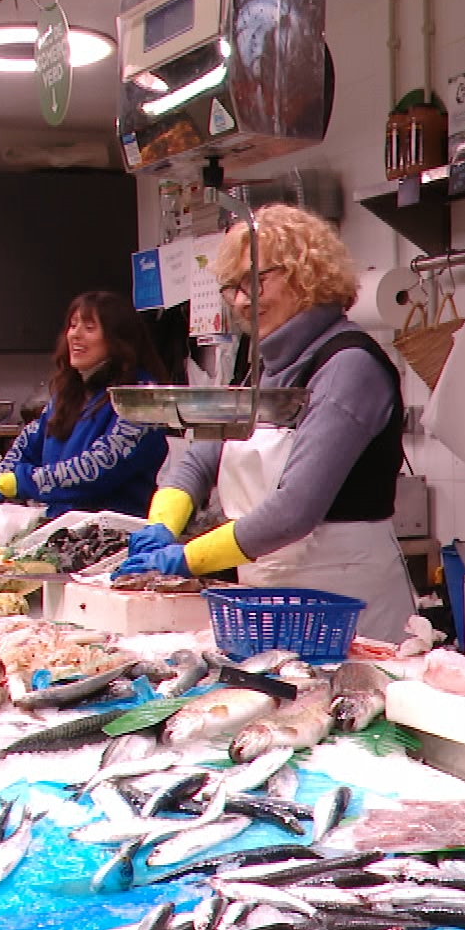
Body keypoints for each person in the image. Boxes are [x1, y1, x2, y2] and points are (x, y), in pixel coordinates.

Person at [115, 204, 415, 643]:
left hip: (348, 605)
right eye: (232, 288)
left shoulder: (348, 365)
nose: (240, 301)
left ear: (306, 275)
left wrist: (186, 558)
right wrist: (161, 525)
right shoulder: (260, 366)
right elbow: (200, 459)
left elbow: (294, 511)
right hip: (268, 593)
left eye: (254, 282)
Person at [0, 291, 170, 523]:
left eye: (89, 328)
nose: (75, 335)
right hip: (60, 527)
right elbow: (27, 446)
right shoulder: (69, 393)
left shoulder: (143, 398)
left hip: (117, 535)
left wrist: (20, 483)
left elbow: (97, 468)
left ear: (118, 339)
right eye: (72, 326)